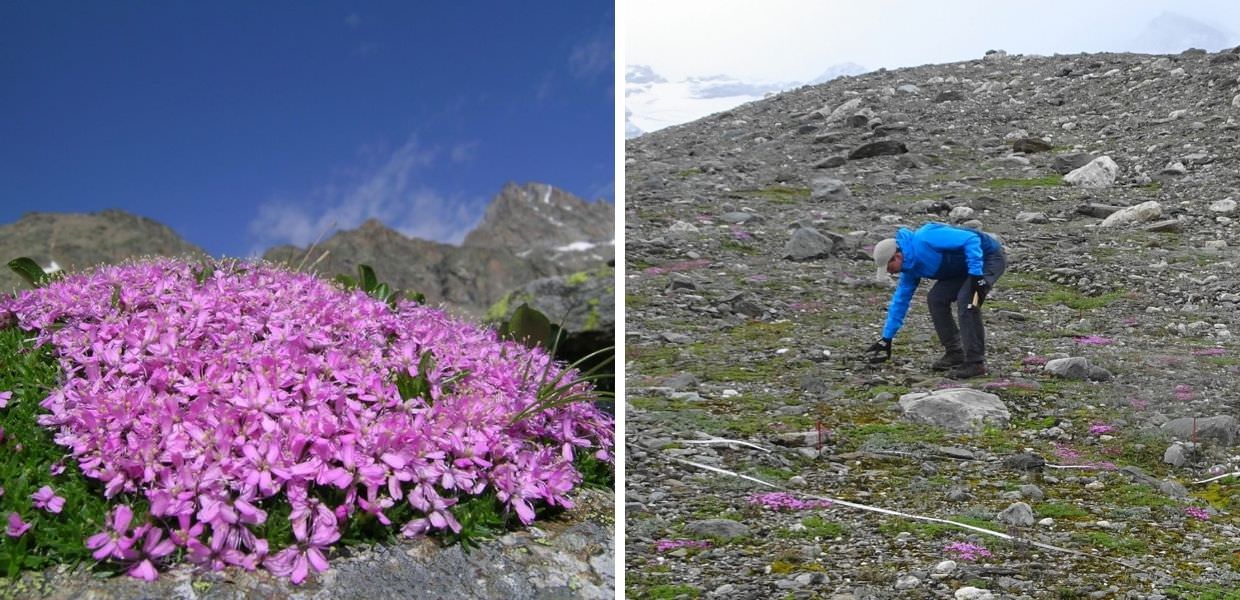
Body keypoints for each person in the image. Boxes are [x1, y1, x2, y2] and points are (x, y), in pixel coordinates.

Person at [864, 222, 1007, 379]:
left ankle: (975, 363)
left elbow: (971, 239)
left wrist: (976, 275)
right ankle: (955, 352)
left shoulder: (926, 237)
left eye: (889, 268)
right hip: (964, 267)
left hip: (988, 258)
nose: (890, 273)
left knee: (968, 302)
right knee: (936, 299)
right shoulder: (910, 270)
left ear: (897, 256)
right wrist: (886, 338)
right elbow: (900, 302)